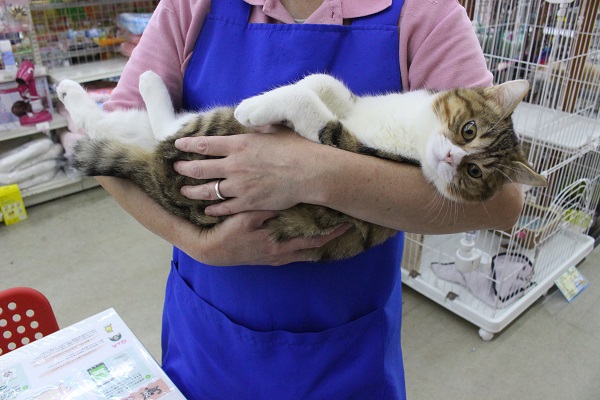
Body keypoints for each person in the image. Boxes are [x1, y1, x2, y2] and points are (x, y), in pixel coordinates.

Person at [101, 0, 524, 398]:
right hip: (207, 339)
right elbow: (104, 139)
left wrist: (312, 173)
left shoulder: (426, 12)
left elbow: (504, 202)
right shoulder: (190, 6)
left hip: (345, 354)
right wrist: (199, 244)